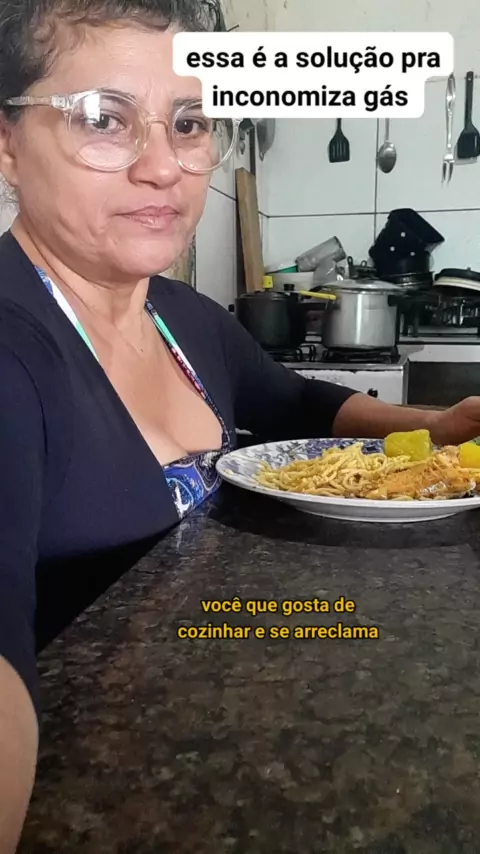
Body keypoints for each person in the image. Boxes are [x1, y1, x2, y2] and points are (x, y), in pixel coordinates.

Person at [2, 0, 480, 848]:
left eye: (189, 123)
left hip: (199, 711)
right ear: (6, 144)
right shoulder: (13, 346)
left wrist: (439, 426)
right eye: (103, 119)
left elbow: (294, 402)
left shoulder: (178, 313)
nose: (164, 167)